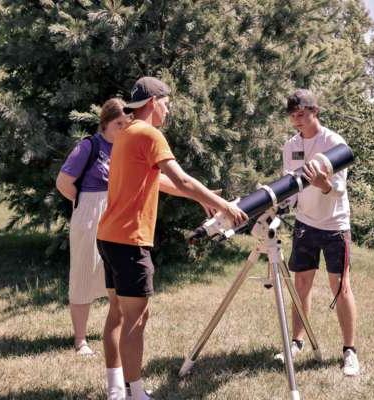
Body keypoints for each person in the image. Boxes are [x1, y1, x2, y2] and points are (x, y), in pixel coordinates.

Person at [96, 77, 247, 400]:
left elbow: (160, 181)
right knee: (136, 318)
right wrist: (224, 206)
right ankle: (135, 393)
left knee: (119, 313)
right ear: (153, 102)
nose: (168, 110)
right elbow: (180, 177)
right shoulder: (150, 134)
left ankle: (115, 389)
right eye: (167, 103)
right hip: (130, 240)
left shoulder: (127, 134)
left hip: (109, 236)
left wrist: (201, 198)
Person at [277, 89, 360, 376]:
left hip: (335, 225)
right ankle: (297, 341)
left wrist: (325, 184)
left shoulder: (334, 143)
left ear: (315, 111)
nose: (297, 120)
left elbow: (339, 190)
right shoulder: (290, 147)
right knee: (301, 284)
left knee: (340, 287)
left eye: (301, 114)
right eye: (292, 116)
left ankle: (350, 351)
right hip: (305, 223)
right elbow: (290, 186)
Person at [56, 98, 131, 356]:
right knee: (83, 274)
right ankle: (80, 339)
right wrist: (85, 203)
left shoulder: (124, 147)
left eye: (126, 122)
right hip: (89, 214)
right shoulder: (89, 146)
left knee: (115, 274)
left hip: (116, 214)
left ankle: (116, 330)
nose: (123, 127)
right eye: (118, 123)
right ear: (106, 123)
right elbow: (63, 181)